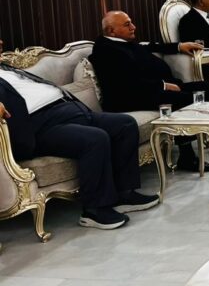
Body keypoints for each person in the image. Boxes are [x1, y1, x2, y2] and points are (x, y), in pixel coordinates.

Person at [0, 38, 158, 230]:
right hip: (39, 127)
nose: (1, 42)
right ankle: (94, 210)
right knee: (95, 139)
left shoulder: (7, 69)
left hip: (69, 110)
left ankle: (124, 194)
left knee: (124, 124)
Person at [89, 10, 209, 172]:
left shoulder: (122, 41)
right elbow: (127, 82)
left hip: (148, 89)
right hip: (129, 97)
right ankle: (187, 157)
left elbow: (150, 46)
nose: (133, 27)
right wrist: (163, 85)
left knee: (204, 87)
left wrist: (179, 46)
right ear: (111, 31)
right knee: (184, 99)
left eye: (131, 22)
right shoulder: (105, 50)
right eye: (127, 24)